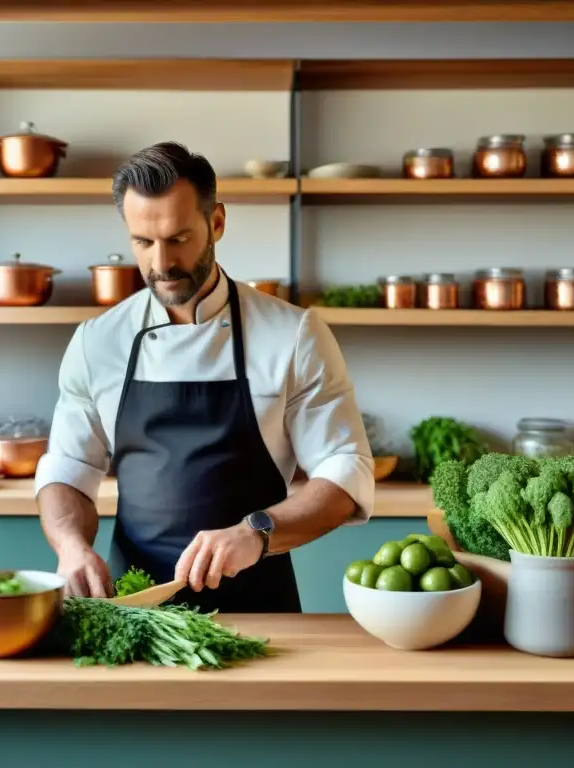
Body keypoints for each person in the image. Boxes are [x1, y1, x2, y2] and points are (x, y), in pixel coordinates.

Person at [35, 141, 375, 613]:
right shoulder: (98, 342)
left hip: (262, 608)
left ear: (216, 222)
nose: (161, 264)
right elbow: (68, 468)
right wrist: (71, 546)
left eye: (178, 239)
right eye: (143, 242)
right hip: (134, 611)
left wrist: (257, 531)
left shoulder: (292, 335)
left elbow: (345, 472)